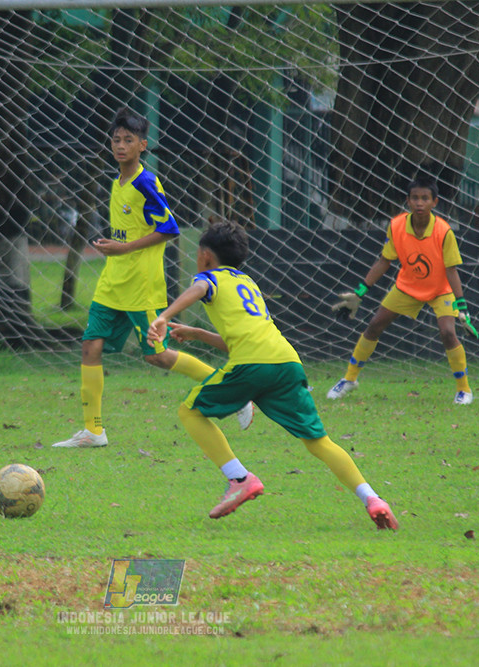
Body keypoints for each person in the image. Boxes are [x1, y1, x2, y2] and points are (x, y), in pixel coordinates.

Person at [146, 221, 398, 529]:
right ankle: (372, 498)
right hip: (286, 363)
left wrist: (164, 316)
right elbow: (242, 339)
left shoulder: (208, 278)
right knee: (318, 441)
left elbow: (200, 288)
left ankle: (239, 478)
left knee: (190, 412)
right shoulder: (247, 283)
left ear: (205, 256)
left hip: (252, 365)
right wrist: (199, 334)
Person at [52, 110, 252, 448]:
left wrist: (124, 247)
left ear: (142, 145)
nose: (120, 145)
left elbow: (169, 229)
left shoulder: (146, 181)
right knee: (90, 347)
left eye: (128, 140)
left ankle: (233, 391)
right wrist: (113, 248)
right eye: (116, 139)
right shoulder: (117, 181)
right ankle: (93, 430)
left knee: (156, 355)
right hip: (112, 283)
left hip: (142, 287)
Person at [326, 177, 478, 405]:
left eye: (425, 198)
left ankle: (464, 390)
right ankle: (349, 378)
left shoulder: (444, 231)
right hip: (407, 287)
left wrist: (461, 304)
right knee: (374, 325)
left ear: (434, 202)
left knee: (448, 333)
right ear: (407, 201)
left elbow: (451, 270)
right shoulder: (397, 225)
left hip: (439, 290)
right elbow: (384, 261)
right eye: (415, 198)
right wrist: (359, 292)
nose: (419, 203)